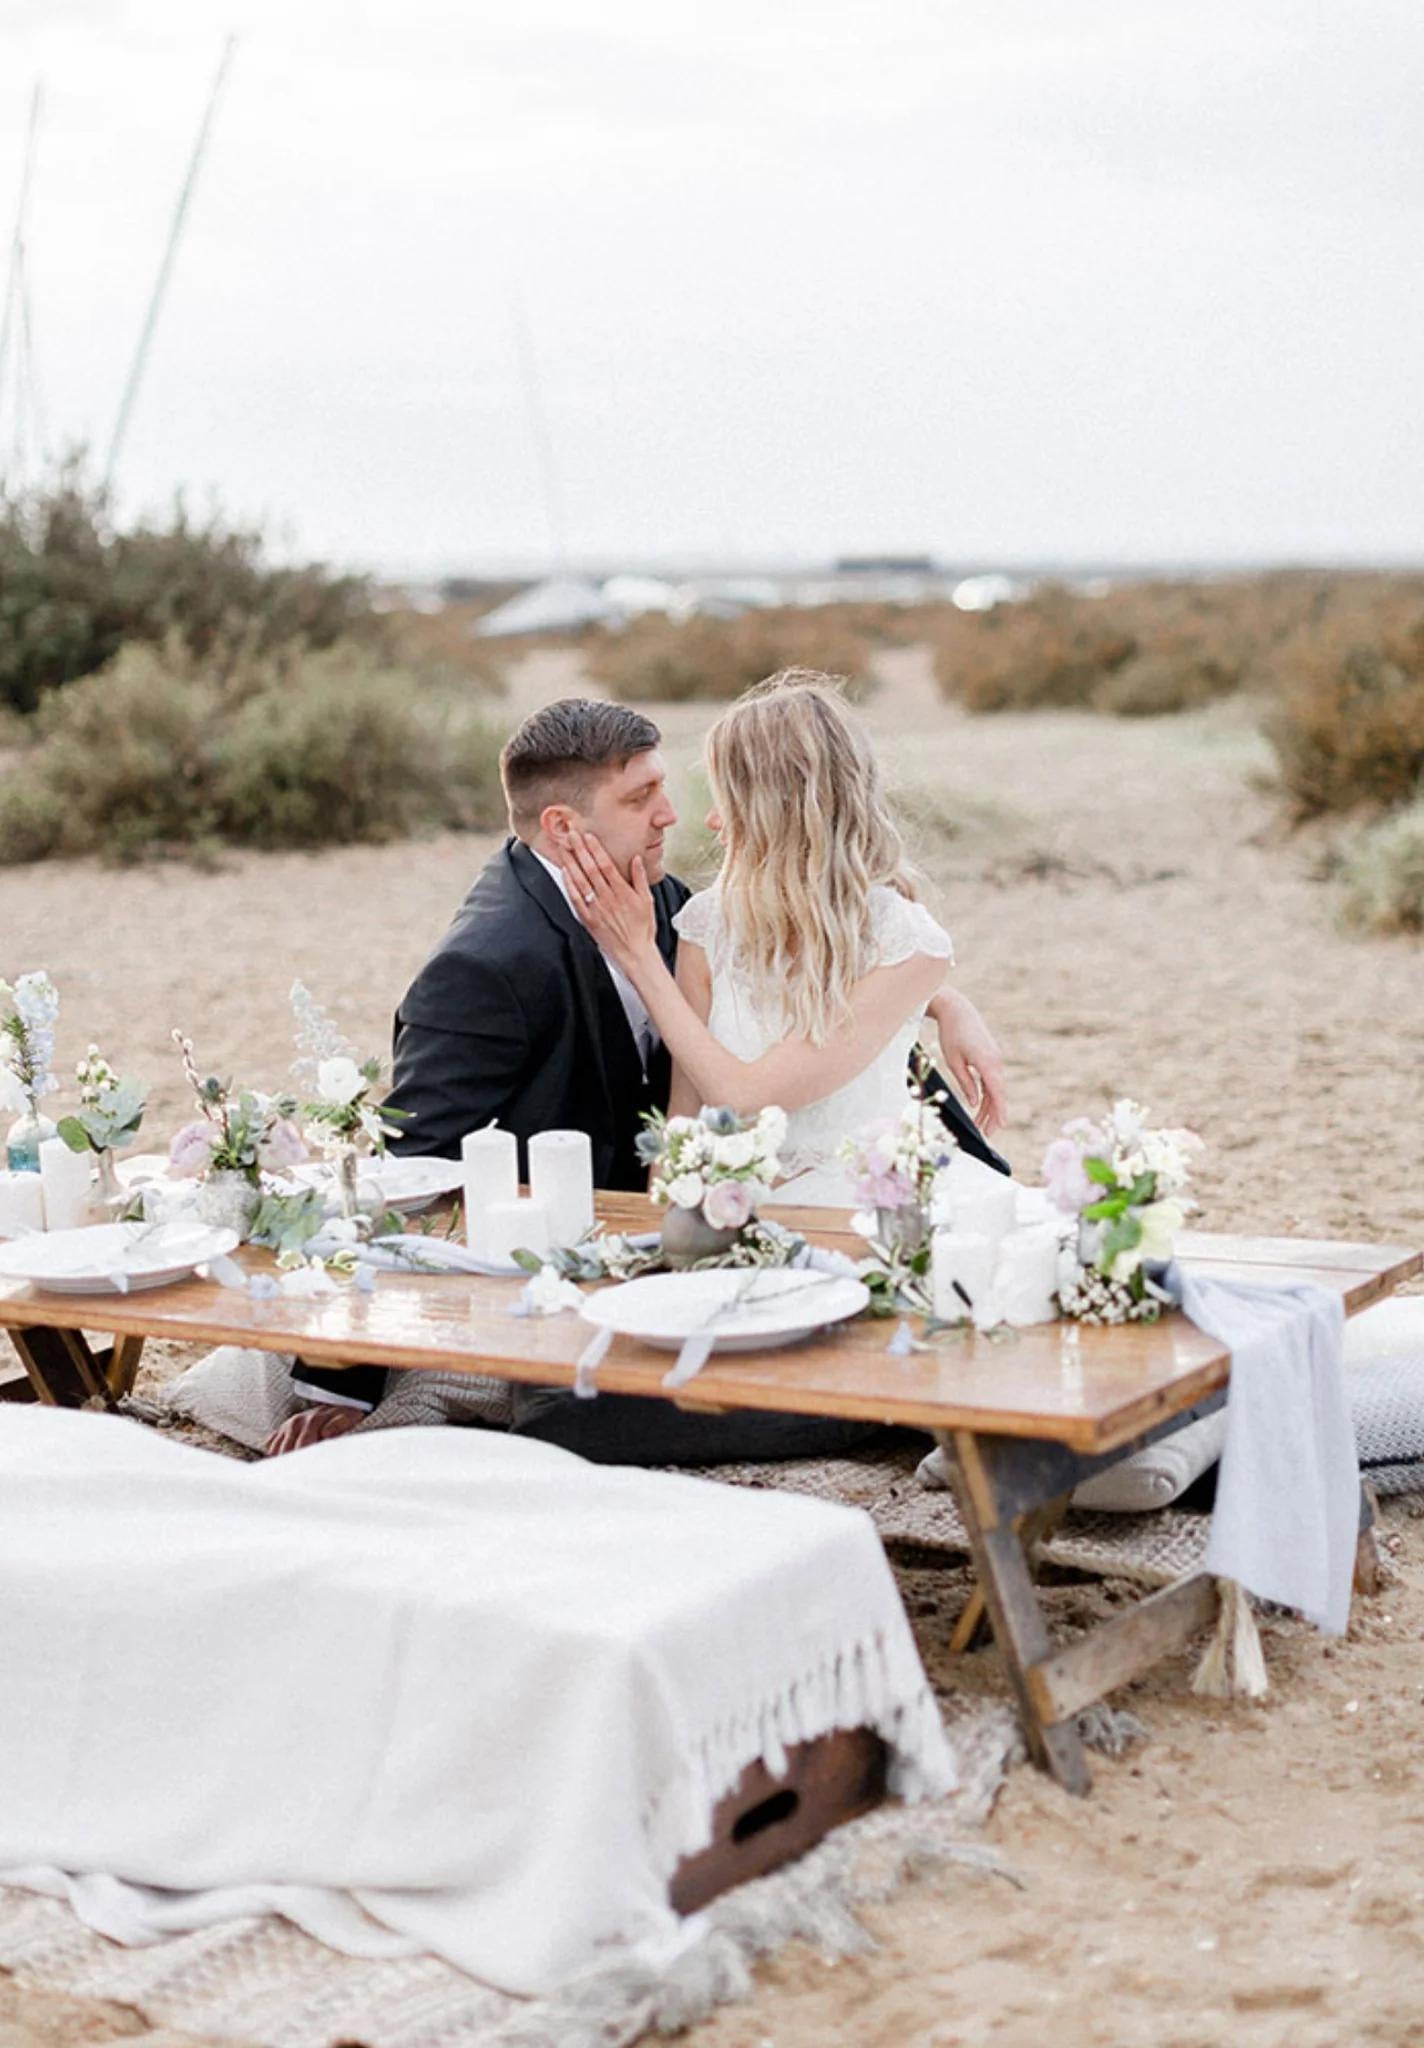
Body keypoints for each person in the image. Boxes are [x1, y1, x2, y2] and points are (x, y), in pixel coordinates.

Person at [267, 687, 1007, 1458]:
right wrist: (338, 1388)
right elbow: (410, 1165)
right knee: (575, 1410)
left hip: (838, 1203)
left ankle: (887, 1396)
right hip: (660, 1220)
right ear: (564, 827)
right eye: (644, 795)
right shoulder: (489, 965)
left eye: (686, 791)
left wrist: (940, 999)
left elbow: (819, 987)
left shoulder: (666, 903)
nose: (684, 817)